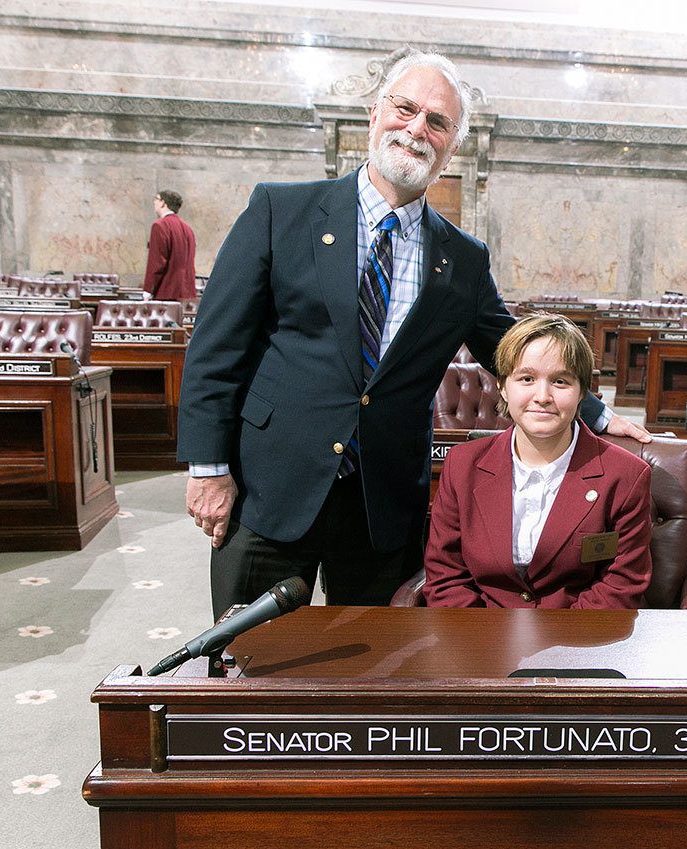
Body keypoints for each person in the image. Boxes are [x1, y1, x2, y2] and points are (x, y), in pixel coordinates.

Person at [178, 51, 648, 618]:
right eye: (406, 109)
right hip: (270, 486)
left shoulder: (464, 260)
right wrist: (208, 469)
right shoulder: (281, 211)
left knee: (375, 670)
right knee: (252, 667)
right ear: (375, 114)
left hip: (382, 500)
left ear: (451, 147)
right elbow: (215, 348)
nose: (416, 129)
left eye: (438, 122)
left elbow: (512, 348)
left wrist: (596, 413)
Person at [425, 315, 652, 609]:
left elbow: (620, 586)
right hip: (480, 642)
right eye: (527, 379)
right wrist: (486, 646)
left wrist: (556, 651)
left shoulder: (625, 476)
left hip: (580, 643)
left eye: (560, 381)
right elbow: (446, 577)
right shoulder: (462, 465)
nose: (542, 396)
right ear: (504, 386)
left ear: (582, 392)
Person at [143, 190, 197, 300]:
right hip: (187, 293)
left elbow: (157, 263)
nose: (154, 202)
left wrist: (148, 291)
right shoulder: (188, 229)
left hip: (167, 292)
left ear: (163, 203)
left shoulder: (159, 226)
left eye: (156, 199)